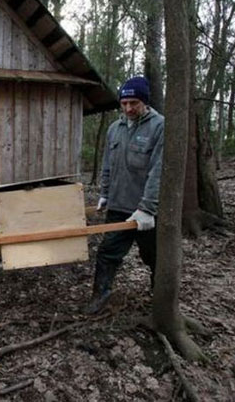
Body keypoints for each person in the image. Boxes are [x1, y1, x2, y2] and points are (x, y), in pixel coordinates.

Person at [87, 76, 165, 314]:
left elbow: (159, 170)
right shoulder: (115, 129)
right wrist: (105, 194)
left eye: (134, 103)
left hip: (146, 212)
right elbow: (108, 165)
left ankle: (161, 300)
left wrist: (148, 208)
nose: (129, 108)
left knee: (155, 258)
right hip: (119, 207)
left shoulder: (159, 126)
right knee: (107, 253)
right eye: (124, 103)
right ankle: (101, 295)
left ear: (144, 102)